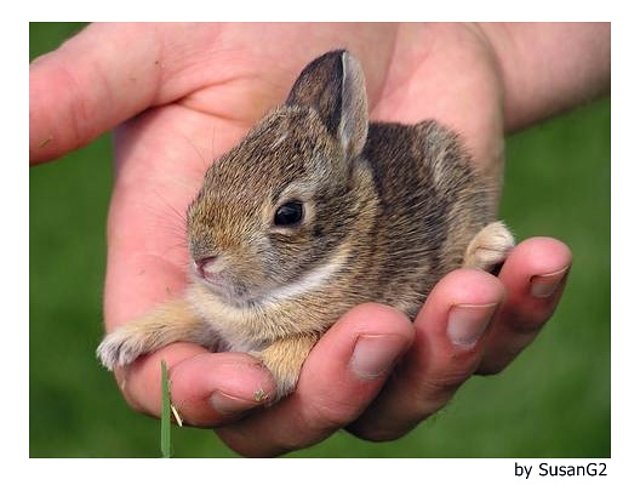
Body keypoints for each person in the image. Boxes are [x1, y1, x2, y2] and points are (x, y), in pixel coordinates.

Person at [29, 22, 609, 457]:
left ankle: (469, 252)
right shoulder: (224, 256)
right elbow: (204, 313)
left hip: (417, 219)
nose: (204, 254)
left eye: (285, 216)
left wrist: (280, 361)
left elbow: (303, 339)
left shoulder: (350, 268)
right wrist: (148, 331)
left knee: (438, 154)